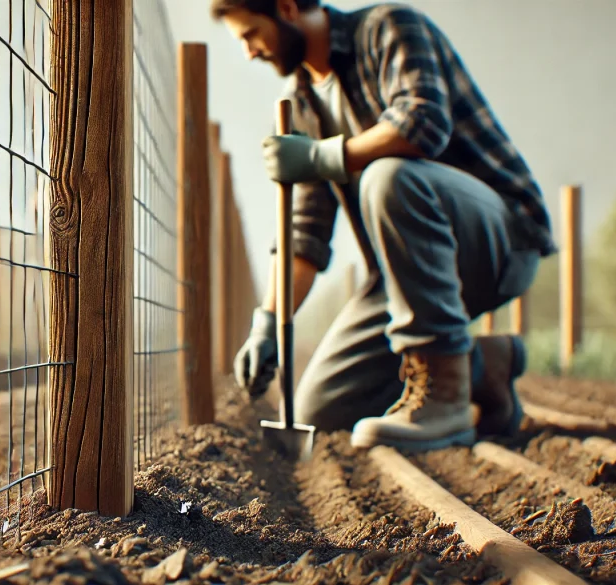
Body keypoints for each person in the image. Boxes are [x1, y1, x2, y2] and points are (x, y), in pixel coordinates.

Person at [211, 0, 556, 452]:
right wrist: (268, 323)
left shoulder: (386, 28)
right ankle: (479, 367)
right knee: (320, 411)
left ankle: (447, 400)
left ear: (287, 8)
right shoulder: (304, 104)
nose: (249, 52)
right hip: (405, 273)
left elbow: (421, 123)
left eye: (251, 34)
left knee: (387, 176)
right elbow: (306, 236)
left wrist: (320, 157)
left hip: (499, 241)